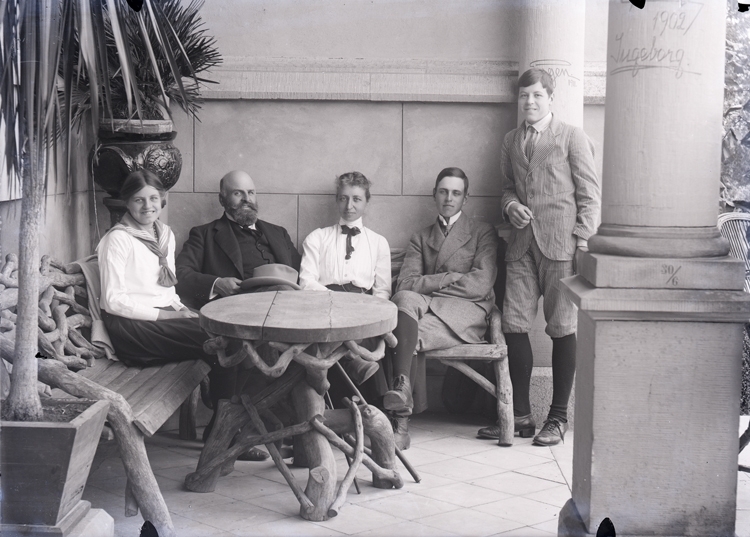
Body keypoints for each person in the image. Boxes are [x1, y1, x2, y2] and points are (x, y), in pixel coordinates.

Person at [477, 68, 600, 446]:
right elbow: (507, 188)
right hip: (520, 247)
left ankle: (558, 418)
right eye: (524, 95)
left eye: (536, 95)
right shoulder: (511, 140)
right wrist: (510, 206)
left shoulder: (572, 137)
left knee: (562, 327)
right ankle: (520, 416)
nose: (529, 102)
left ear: (550, 98)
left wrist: (582, 243)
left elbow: (590, 195)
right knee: (514, 326)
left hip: (562, 248)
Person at [97, 170, 255, 453]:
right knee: (226, 343)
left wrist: (184, 310)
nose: (147, 206)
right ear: (126, 202)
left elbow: (166, 291)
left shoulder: (163, 234)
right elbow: (113, 301)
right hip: (131, 329)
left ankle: (222, 428)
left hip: (162, 318)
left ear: (163, 199)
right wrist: (170, 316)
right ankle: (223, 435)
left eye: (153, 198)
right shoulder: (117, 240)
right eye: (138, 200)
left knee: (229, 335)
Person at [387, 167, 499, 449]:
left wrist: (430, 288)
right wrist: (449, 278)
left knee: (404, 335)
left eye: (456, 193)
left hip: (466, 314)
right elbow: (406, 284)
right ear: (434, 195)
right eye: (443, 192)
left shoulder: (482, 232)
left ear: (466, 198)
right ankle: (402, 389)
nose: (449, 198)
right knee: (404, 300)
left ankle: (400, 422)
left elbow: (480, 284)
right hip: (429, 308)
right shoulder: (421, 237)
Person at [299, 171, 391, 401]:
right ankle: (354, 367)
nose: (349, 206)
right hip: (324, 307)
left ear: (367, 201)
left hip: (363, 310)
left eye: (356, 199)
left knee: (365, 334)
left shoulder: (378, 243)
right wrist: (337, 301)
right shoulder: (317, 238)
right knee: (330, 333)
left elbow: (382, 290)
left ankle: (374, 400)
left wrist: (372, 314)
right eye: (343, 198)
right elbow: (306, 282)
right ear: (336, 200)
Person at [175, 170, 301, 309]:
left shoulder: (279, 233)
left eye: (251, 192)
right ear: (222, 199)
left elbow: (302, 273)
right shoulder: (203, 234)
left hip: (284, 303)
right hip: (234, 307)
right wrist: (217, 284)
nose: (247, 199)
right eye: (238, 193)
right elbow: (179, 273)